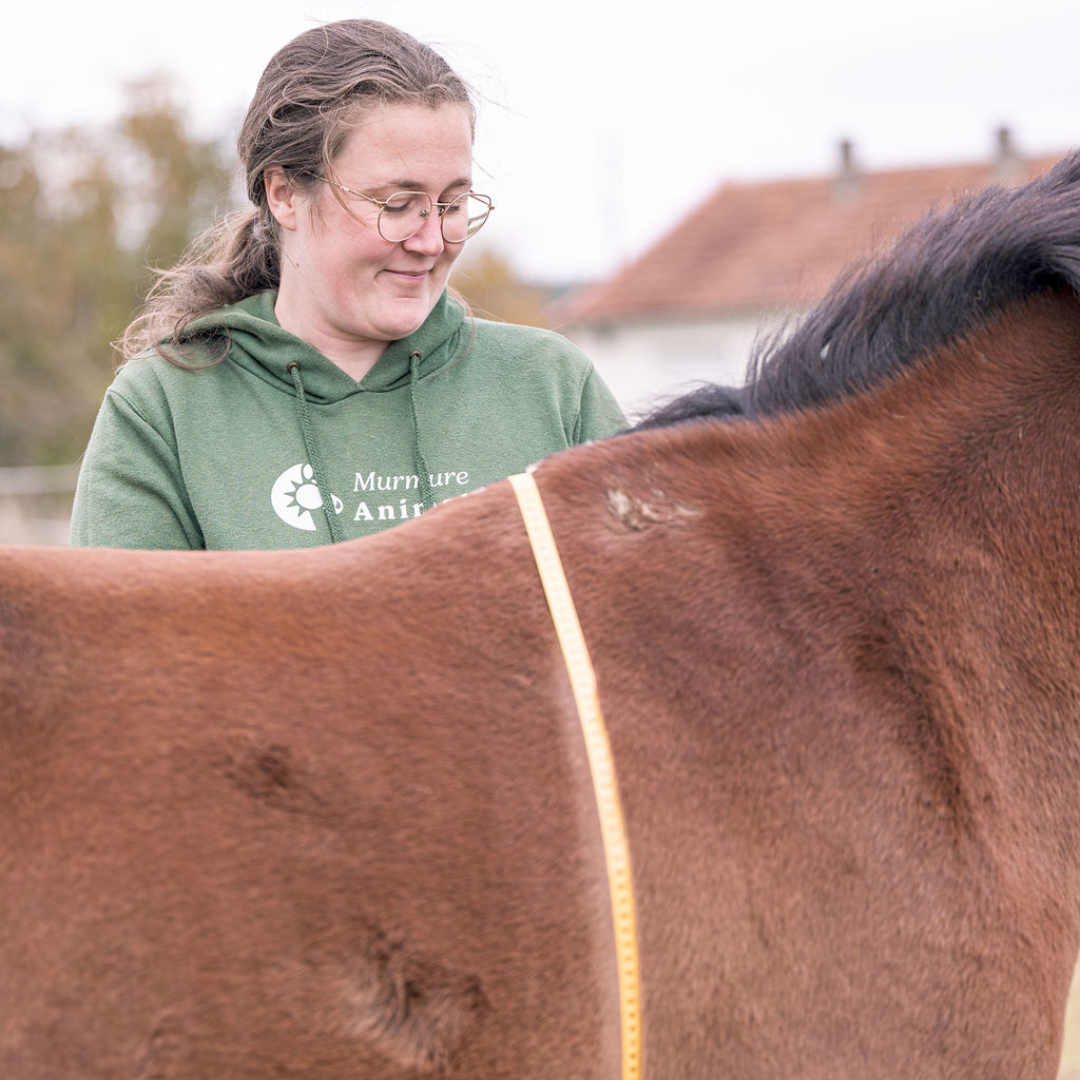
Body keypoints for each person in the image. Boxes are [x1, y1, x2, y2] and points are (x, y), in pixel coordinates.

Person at [69, 19, 625, 550]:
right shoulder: (163, 408)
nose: (432, 241)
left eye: (453, 204)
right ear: (285, 194)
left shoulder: (550, 387)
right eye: (397, 204)